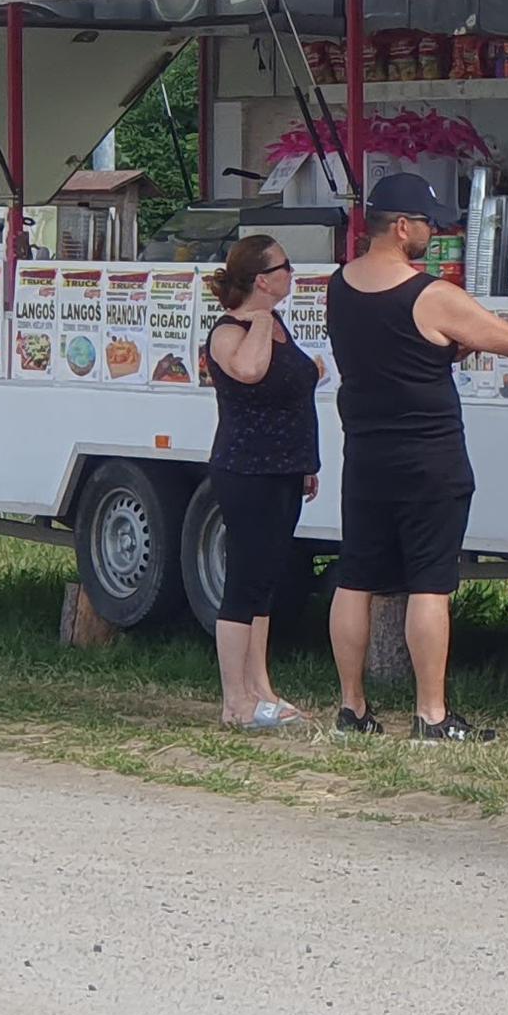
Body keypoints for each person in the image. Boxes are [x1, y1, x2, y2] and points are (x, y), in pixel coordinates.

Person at [326, 171, 508, 740]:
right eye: (429, 223)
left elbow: (395, 353)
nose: (433, 233)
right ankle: (431, 716)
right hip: (428, 456)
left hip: (364, 453)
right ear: (401, 226)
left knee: (355, 578)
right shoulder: (430, 295)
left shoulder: (339, 285)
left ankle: (351, 709)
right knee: (430, 584)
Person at [200, 235, 319, 733]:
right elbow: (248, 371)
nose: (293, 274)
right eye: (285, 267)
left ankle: (261, 687)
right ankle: (234, 701)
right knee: (244, 580)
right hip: (245, 469)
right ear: (263, 280)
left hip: (285, 467)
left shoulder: (279, 327)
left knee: (267, 580)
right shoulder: (230, 331)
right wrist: (262, 319)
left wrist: (306, 461)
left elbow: (294, 388)